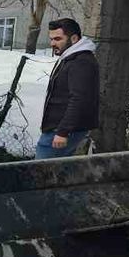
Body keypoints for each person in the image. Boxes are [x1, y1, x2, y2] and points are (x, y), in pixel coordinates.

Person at [37, 17, 99, 159]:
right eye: (51, 39)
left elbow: (79, 99)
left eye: (58, 39)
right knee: (61, 169)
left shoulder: (80, 62)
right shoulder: (70, 58)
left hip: (61, 131)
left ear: (74, 39)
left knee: (41, 170)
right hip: (60, 128)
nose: (52, 43)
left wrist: (63, 132)